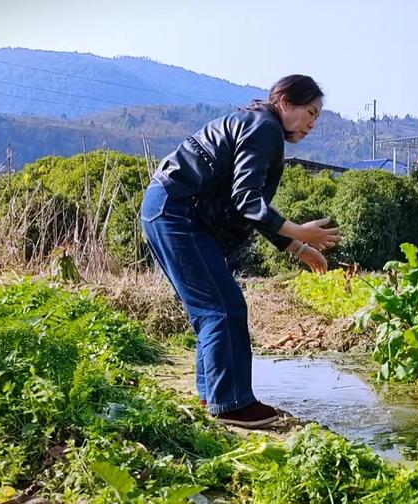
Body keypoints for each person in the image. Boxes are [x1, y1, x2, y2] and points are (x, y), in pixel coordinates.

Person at [140, 74, 340, 429]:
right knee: (223, 305)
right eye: (310, 112)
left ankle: (212, 394)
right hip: (177, 210)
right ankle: (232, 405)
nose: (313, 123)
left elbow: (246, 202)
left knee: (213, 306)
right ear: (283, 101)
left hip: (172, 208)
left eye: (317, 116)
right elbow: (248, 201)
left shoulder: (257, 123)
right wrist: (300, 231)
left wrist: (298, 247)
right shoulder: (265, 128)